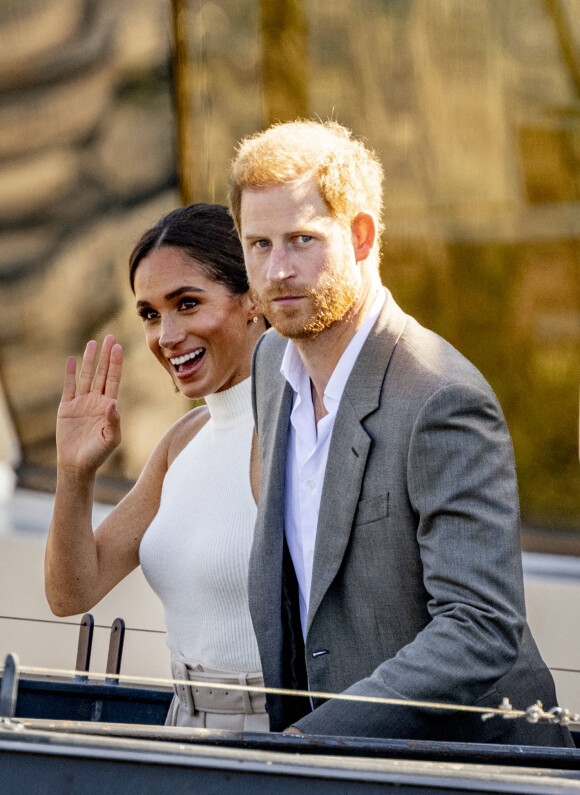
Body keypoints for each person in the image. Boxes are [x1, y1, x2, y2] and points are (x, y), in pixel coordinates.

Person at [228, 120, 574, 746]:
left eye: (301, 239)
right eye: (259, 244)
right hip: (335, 768)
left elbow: (479, 626)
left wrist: (316, 738)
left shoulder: (443, 398)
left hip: (469, 773)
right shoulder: (267, 367)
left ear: (360, 236)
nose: (276, 271)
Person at [44, 203, 269, 731]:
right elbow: (71, 592)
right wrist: (73, 474)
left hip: (275, 736)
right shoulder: (182, 441)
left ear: (253, 298)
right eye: (149, 313)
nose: (165, 336)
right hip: (181, 725)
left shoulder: (301, 429)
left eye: (187, 304)